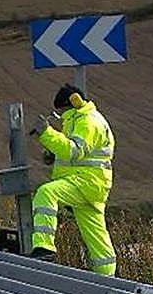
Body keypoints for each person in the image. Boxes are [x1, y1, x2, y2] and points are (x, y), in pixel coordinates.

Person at [28, 84, 117, 275]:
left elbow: (73, 151)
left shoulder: (88, 122)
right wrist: (53, 154)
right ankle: (108, 279)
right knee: (97, 238)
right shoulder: (79, 120)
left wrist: (46, 133)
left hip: (85, 182)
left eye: (62, 112)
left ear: (73, 102)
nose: (61, 117)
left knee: (46, 193)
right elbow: (72, 150)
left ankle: (44, 249)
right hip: (91, 185)